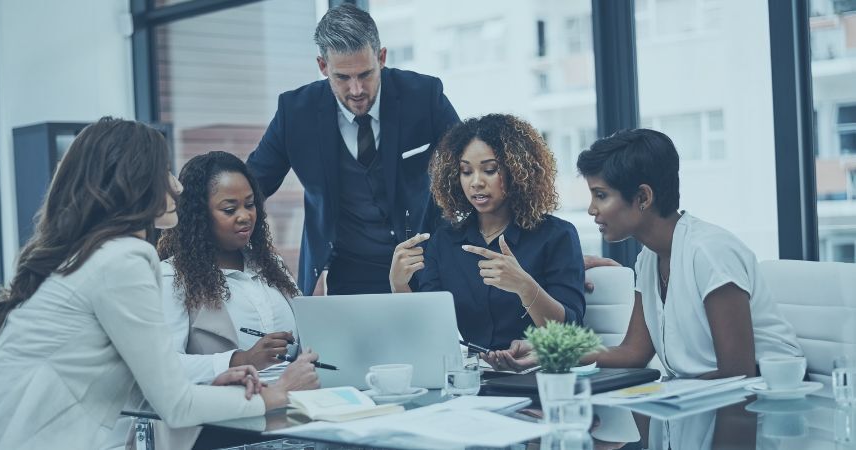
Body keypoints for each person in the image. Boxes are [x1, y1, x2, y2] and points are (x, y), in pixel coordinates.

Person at [0, 118, 318, 450]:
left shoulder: (90, 254)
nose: (177, 186)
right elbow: (176, 406)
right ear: (132, 180)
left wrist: (214, 381)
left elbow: (142, 383)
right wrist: (278, 394)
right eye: (164, 171)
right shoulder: (126, 258)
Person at [484, 129, 802, 379]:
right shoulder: (649, 257)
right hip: (700, 400)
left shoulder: (709, 252)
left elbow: (738, 374)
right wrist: (548, 351)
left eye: (601, 195)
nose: (593, 209)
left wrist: (665, 395)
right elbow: (633, 352)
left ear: (643, 197)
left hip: (765, 406)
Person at [247, 3, 460, 295]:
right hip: (345, 269)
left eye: (365, 74)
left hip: (421, 260)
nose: (357, 90)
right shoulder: (295, 112)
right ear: (323, 67)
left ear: (381, 57)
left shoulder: (423, 95)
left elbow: (467, 160)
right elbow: (252, 184)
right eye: (343, 78)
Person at [389, 114, 586, 351]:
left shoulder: (557, 236)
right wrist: (399, 285)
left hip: (538, 375)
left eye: (490, 170)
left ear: (518, 171)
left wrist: (525, 286)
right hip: (473, 379)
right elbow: (429, 333)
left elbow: (570, 334)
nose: (476, 182)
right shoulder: (444, 241)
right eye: (466, 171)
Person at [157, 151, 301, 381]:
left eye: (250, 204)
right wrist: (240, 360)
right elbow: (164, 366)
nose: (245, 216)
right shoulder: (172, 277)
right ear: (199, 215)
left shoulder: (272, 265)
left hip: (299, 401)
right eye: (229, 209)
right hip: (228, 409)